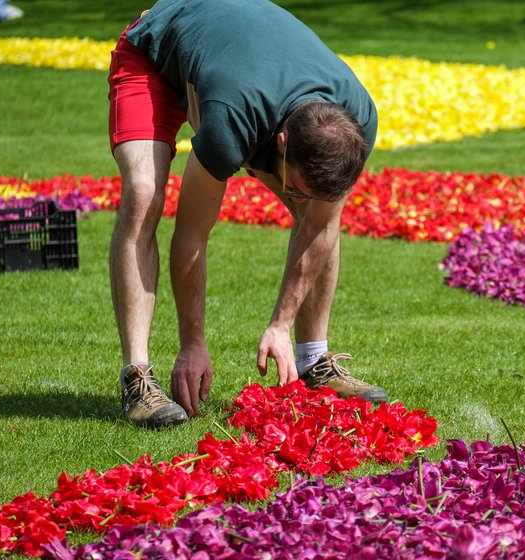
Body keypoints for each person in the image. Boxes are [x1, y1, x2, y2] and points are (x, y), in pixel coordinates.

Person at [108, 0, 387, 429]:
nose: (292, 194)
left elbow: (320, 224)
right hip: (155, 51)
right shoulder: (231, 121)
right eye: (292, 182)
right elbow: (192, 236)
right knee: (144, 195)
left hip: (232, 66)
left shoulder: (357, 122)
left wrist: (281, 324)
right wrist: (192, 345)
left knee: (317, 213)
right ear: (280, 141)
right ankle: (137, 378)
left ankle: (314, 361)